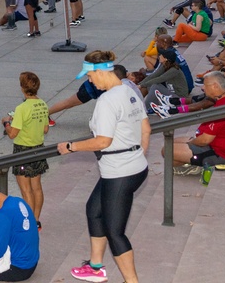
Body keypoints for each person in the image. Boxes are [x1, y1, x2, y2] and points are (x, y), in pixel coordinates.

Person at [58, 50, 150, 283]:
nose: (90, 82)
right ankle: (96, 266)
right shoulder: (130, 91)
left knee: (115, 232)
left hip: (120, 170)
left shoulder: (107, 100)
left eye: (90, 77)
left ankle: (132, 281)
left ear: (100, 72)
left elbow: (102, 141)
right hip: (132, 166)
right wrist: (137, 155)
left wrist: (71, 146)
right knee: (94, 209)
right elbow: (146, 128)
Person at [158, 71, 225, 173]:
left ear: (215, 86)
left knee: (166, 150)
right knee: (171, 143)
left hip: (218, 152)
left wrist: (190, 143)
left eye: (205, 85)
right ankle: (193, 162)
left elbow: (205, 140)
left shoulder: (223, 109)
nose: (203, 88)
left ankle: (199, 164)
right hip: (216, 146)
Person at [1, 72, 49, 223]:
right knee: (37, 187)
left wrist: (6, 123)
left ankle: (28, 221)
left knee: (26, 189)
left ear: (22, 88)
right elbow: (45, 129)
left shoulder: (22, 108)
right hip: (39, 149)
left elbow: (12, 134)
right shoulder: (43, 104)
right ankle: (36, 219)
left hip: (23, 151)